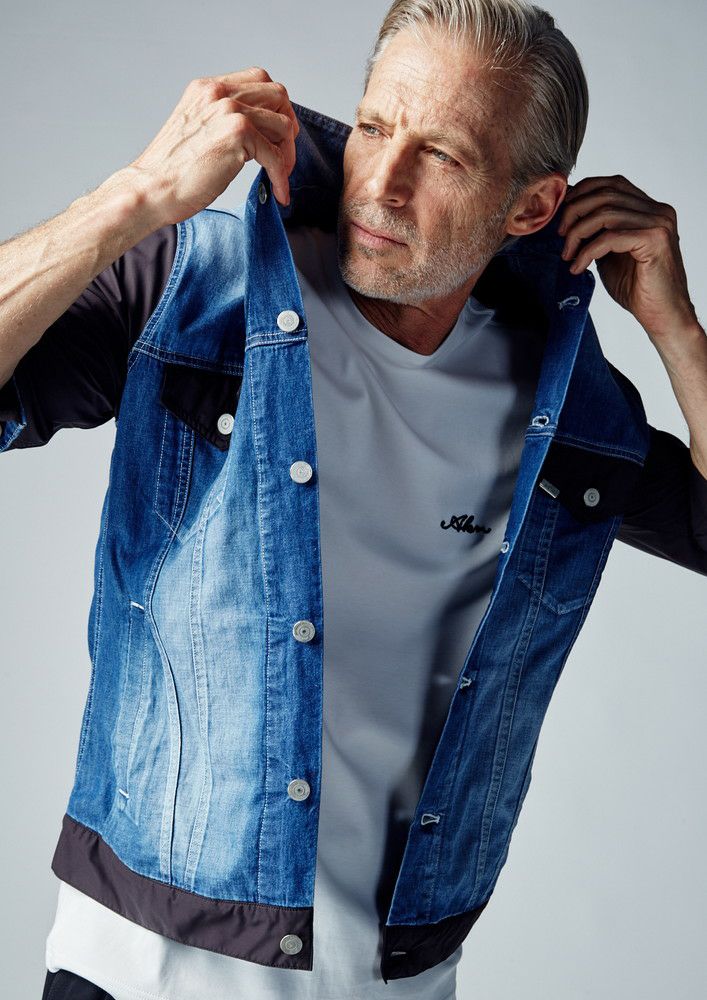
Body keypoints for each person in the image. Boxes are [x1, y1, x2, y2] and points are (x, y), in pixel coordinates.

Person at [2, 2, 706, 999]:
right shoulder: (195, 293)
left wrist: (678, 333)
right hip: (142, 971)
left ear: (531, 208)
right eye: (375, 127)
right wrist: (133, 197)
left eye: (442, 155)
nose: (382, 183)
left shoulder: (563, 402)